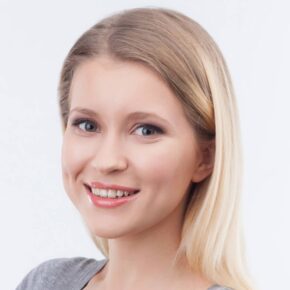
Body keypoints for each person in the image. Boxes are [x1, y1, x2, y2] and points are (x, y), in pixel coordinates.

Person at [16, 7, 255, 290]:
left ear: (206, 157)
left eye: (146, 130)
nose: (107, 161)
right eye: (88, 125)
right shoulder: (47, 283)